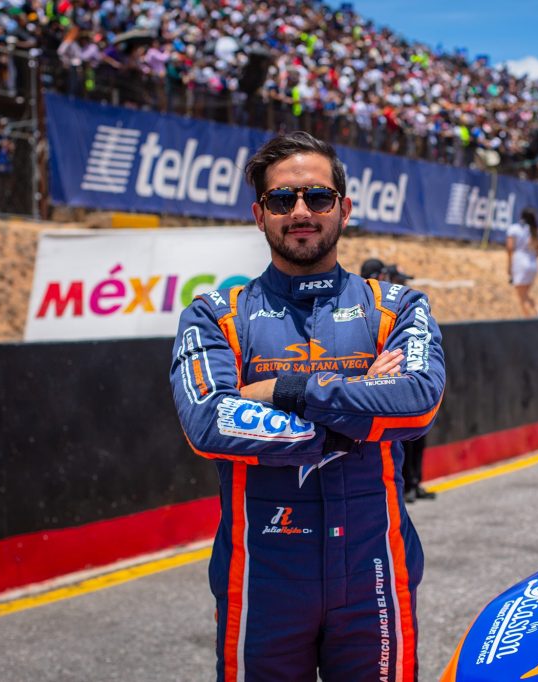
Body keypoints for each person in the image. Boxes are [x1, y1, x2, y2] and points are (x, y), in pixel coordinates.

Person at [170, 131, 446, 682]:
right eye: (281, 200)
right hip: (261, 579)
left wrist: (284, 392)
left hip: (377, 571)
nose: (300, 211)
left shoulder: (397, 307)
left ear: (344, 209)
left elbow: (417, 403)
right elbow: (209, 422)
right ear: (259, 214)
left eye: (317, 197)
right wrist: (350, 424)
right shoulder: (214, 315)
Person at [358, 258, 436, 503]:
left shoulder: (399, 304)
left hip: (405, 378)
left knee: (418, 438)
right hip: (382, 386)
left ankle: (415, 482)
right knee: (401, 443)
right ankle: (406, 486)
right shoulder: (365, 304)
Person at [506, 206, 538, 318]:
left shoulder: (514, 229)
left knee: (522, 296)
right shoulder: (537, 231)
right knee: (525, 294)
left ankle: (531, 317)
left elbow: (510, 248)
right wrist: (533, 256)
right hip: (533, 262)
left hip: (520, 262)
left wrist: (509, 266)